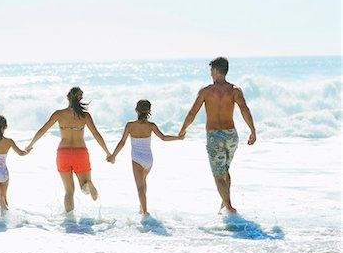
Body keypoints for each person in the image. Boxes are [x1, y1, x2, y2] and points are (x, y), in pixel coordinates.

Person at [179, 57, 256, 214]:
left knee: (218, 175)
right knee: (225, 170)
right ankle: (224, 204)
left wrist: (182, 130)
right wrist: (253, 131)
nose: (210, 73)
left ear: (215, 70)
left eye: (211, 70)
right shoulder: (235, 90)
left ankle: (230, 208)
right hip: (231, 136)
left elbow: (192, 112)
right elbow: (244, 110)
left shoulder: (206, 91)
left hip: (215, 137)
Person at [25, 87, 111, 213]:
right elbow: (96, 134)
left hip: (63, 153)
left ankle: (70, 221)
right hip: (80, 152)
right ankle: (88, 185)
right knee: (84, 187)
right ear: (80, 98)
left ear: (67, 97)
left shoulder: (59, 114)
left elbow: (43, 130)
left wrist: (30, 145)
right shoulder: (85, 116)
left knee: (69, 191)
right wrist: (108, 152)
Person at [107, 100, 183, 216]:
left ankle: (145, 212)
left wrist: (113, 155)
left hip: (137, 159)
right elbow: (163, 137)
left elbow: (122, 142)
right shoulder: (151, 126)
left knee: (140, 187)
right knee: (143, 182)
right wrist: (178, 138)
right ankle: (141, 207)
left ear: (136, 110)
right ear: (149, 111)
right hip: (149, 160)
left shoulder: (130, 125)